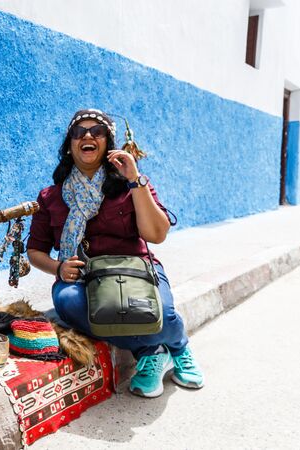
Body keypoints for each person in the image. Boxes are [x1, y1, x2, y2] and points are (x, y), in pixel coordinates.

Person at [26, 109, 204, 398]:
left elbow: (156, 234)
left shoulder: (129, 184)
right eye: (78, 132)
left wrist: (135, 180)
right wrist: (57, 268)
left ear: (108, 143)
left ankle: (179, 346)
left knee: (163, 314)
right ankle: (152, 351)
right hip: (85, 276)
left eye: (96, 132)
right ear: (69, 145)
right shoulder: (51, 196)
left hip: (135, 270)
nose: (87, 136)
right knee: (67, 303)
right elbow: (35, 250)